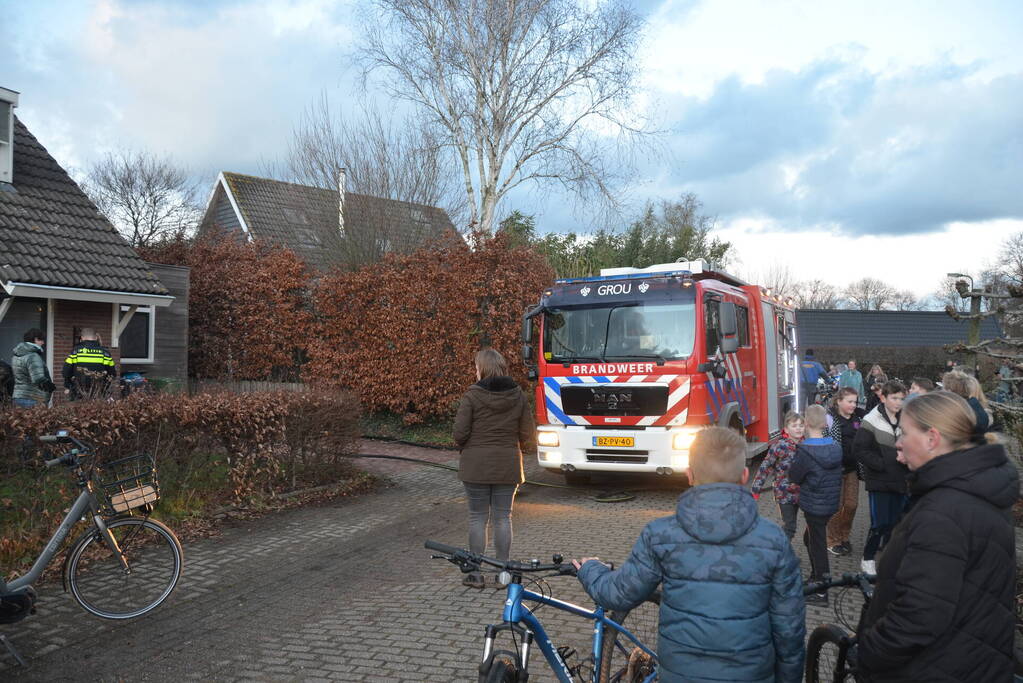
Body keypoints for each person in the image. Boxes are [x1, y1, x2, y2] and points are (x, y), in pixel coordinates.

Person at [574, 427, 805, 682]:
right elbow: (790, 630)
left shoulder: (660, 534)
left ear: (689, 475)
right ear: (744, 476)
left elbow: (618, 593)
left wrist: (590, 569)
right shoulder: (774, 539)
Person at [857, 391, 1018, 682]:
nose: (899, 442)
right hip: (974, 660)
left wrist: (869, 654)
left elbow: (918, 616)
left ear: (932, 439)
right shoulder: (978, 489)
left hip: (934, 668)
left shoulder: (943, 512)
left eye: (904, 433)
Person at [452, 348, 535, 589]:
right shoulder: (517, 395)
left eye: (476, 367)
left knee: (478, 517)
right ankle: (503, 574)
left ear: (483, 369)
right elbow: (528, 434)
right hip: (508, 464)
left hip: (476, 466)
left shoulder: (472, 395)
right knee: (503, 517)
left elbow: (459, 433)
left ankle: (475, 574)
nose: (475, 371)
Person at [788, 405, 843, 605]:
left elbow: (794, 476)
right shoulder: (836, 447)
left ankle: (822, 591)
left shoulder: (805, 451)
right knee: (809, 539)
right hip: (830, 504)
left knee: (817, 545)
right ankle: (815, 576)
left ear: (806, 424)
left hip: (814, 506)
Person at [854, 379, 906, 575]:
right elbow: (859, 449)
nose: (898, 403)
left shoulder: (906, 418)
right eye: (894, 398)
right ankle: (868, 558)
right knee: (879, 523)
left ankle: (890, 559)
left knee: (896, 523)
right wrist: (881, 464)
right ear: (883, 398)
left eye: (901, 399)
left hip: (901, 480)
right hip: (880, 481)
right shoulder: (871, 420)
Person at [751, 411, 804, 541]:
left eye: (801, 425)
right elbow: (765, 467)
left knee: (805, 524)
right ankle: (780, 553)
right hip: (784, 493)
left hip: (802, 493)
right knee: (790, 526)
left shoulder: (806, 445)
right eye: (794, 425)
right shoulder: (780, 446)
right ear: (786, 429)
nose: (798, 428)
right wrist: (755, 490)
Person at [825, 388, 861, 557]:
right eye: (850, 401)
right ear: (839, 401)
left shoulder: (857, 418)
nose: (853, 405)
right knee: (836, 507)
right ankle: (832, 541)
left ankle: (844, 536)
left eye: (855, 401)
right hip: (835, 470)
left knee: (852, 505)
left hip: (852, 468)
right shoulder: (830, 419)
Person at [62, 327, 117, 401]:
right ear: (96, 337)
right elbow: (112, 374)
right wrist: (105, 388)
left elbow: (65, 372)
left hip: (78, 393)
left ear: (82, 338)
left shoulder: (75, 352)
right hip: (99, 393)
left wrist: (68, 385)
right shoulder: (105, 353)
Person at [11, 328, 55, 408]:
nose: (43, 343)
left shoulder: (16, 355)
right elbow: (38, 379)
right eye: (41, 340)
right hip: (32, 398)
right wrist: (51, 387)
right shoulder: (33, 356)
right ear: (36, 339)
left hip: (17, 397)